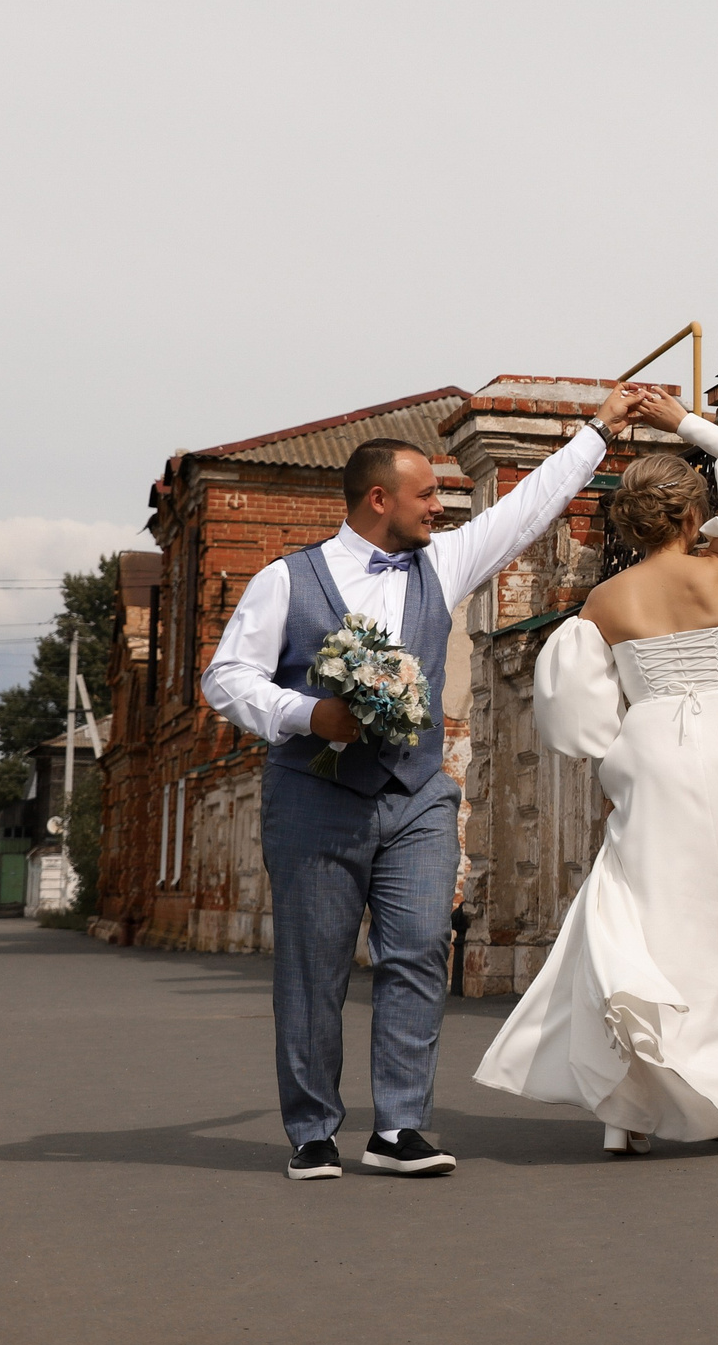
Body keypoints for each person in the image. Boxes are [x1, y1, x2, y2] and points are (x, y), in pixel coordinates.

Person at [202, 382, 637, 1180]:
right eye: (429, 492)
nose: (443, 505)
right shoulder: (284, 581)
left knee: (418, 950)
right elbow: (225, 679)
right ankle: (311, 1130)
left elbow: (527, 509)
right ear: (379, 498)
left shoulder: (442, 564)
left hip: (417, 799)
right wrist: (308, 715)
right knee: (314, 967)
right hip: (314, 800)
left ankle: (399, 1127)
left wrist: (598, 433)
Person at [474, 390, 718, 1154]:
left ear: (626, 525)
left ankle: (629, 1108)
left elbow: (574, 717)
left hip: (651, 748)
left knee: (653, 910)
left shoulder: (602, 602)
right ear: (692, 517)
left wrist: (619, 741)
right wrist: (684, 422)